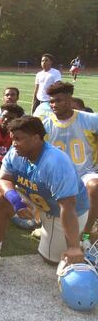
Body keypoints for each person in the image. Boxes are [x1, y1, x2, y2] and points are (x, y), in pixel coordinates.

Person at [0, 116, 88, 272]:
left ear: (36, 138)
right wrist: (16, 202)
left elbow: (68, 206)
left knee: (52, 259)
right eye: (12, 138)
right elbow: (3, 179)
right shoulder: (16, 153)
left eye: (19, 139)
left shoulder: (55, 162)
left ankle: (83, 238)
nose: (14, 143)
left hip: (63, 211)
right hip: (37, 197)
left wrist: (74, 247)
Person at [43, 82, 98, 246]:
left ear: (69, 100)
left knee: (94, 186)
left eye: (58, 100)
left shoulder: (89, 119)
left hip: (85, 172)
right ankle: (43, 222)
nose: (53, 105)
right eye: (51, 101)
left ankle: (86, 235)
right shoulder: (45, 126)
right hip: (58, 177)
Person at [32, 53, 61, 118]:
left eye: (46, 60)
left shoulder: (55, 72)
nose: (44, 62)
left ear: (51, 62)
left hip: (49, 100)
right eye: (42, 61)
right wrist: (33, 101)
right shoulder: (39, 74)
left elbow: (58, 84)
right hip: (38, 99)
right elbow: (36, 88)